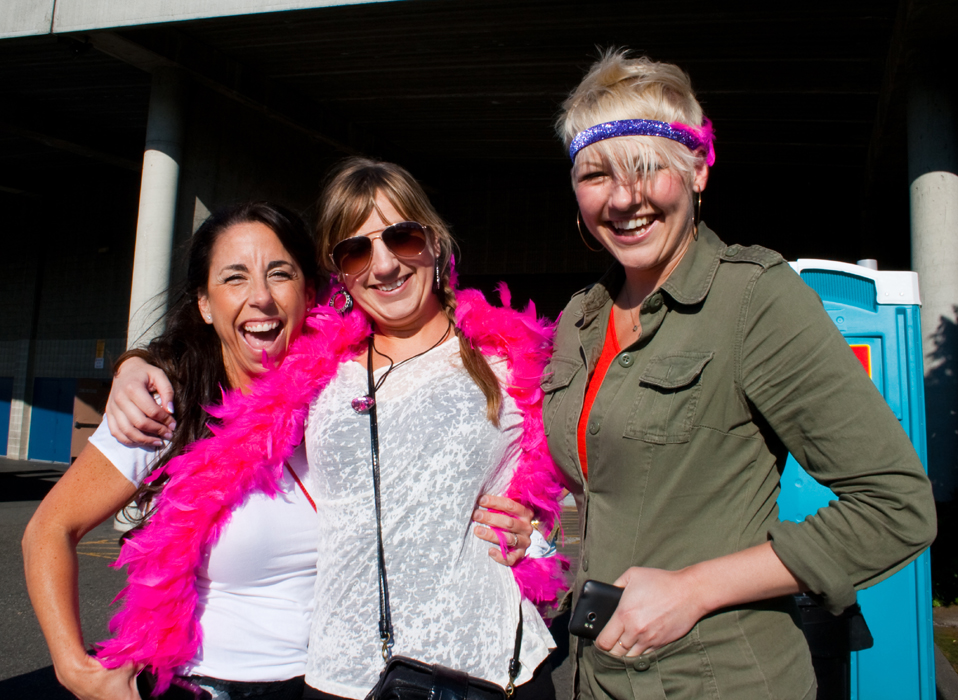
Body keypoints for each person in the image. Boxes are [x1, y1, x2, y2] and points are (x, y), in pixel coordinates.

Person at [94, 158, 567, 700]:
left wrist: (538, 540)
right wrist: (135, 363)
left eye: (402, 238)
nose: (384, 265)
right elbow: (225, 352)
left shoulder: (515, 359)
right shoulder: (313, 370)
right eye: (357, 251)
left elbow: (588, 478)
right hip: (344, 678)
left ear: (434, 243)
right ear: (339, 273)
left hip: (491, 670)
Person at [543, 50, 937, 699]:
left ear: (697, 168)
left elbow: (896, 507)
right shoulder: (581, 318)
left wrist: (693, 588)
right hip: (594, 677)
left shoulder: (753, 298)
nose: (622, 199)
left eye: (647, 169)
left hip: (714, 679)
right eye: (595, 174)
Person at [23, 201, 321, 700]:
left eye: (280, 273)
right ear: (205, 304)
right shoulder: (164, 409)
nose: (261, 297)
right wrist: (75, 670)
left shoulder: (349, 396)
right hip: (205, 686)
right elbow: (48, 530)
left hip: (333, 684)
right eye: (234, 278)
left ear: (309, 293)